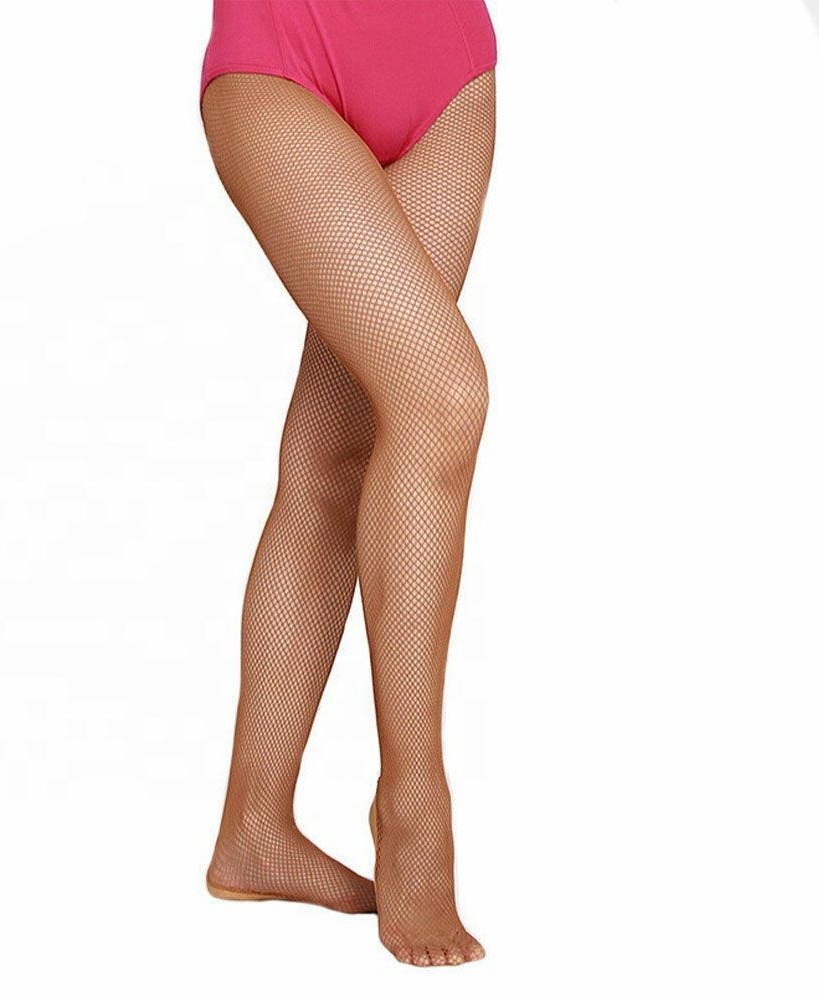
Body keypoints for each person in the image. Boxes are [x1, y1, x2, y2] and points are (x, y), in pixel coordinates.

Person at [198, 0, 497, 968]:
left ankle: (255, 827)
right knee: (443, 395)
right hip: (279, 62)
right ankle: (413, 811)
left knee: (338, 450)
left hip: (448, 76)